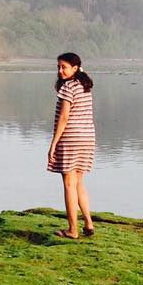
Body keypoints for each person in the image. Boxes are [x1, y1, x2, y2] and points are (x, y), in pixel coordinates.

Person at [47, 52, 96, 239]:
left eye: (64, 67)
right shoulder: (85, 86)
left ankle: (73, 230)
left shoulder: (68, 87)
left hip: (71, 138)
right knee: (79, 182)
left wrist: (53, 143)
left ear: (75, 68)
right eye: (58, 67)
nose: (60, 71)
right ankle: (88, 223)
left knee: (69, 184)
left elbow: (64, 117)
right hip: (87, 138)